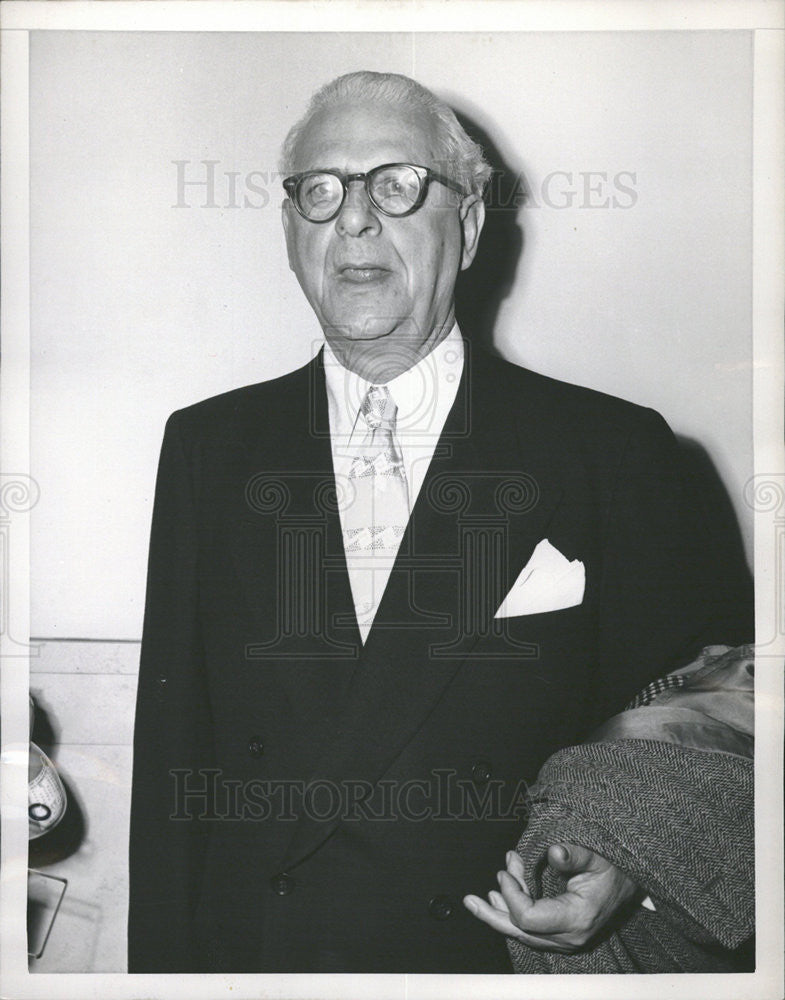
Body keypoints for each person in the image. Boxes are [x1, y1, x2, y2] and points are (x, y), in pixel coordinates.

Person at [128, 70, 753, 974]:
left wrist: (628, 866)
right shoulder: (209, 447)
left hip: (489, 959)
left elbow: (713, 714)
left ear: (464, 228)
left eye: (396, 185)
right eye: (320, 191)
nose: (352, 221)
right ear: (289, 232)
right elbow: (171, 774)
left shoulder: (613, 450)